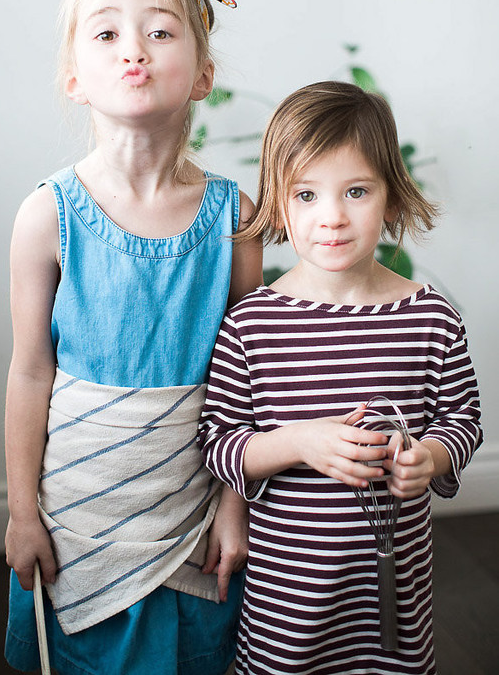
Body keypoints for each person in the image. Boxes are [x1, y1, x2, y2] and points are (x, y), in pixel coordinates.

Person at [4, 0, 263, 675]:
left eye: (159, 29)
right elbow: (29, 374)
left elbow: (251, 380)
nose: (134, 50)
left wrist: (234, 505)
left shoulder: (234, 219)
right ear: (74, 76)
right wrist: (22, 512)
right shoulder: (46, 215)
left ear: (203, 73)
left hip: (189, 509)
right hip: (80, 514)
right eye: (108, 32)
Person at [198, 81, 482, 675]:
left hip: (395, 600)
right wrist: (299, 441)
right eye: (306, 194)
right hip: (287, 606)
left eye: (356, 191)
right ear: (277, 202)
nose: (331, 216)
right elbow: (218, 443)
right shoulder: (253, 323)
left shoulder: (430, 317)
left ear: (393, 199)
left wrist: (429, 457)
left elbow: (463, 421)